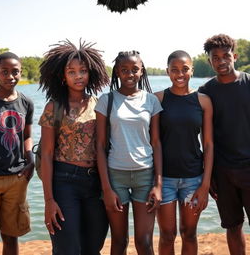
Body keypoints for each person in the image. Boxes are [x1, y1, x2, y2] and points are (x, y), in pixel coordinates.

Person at [38, 39, 110, 255]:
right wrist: (49, 200)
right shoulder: (54, 107)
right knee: (67, 250)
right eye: (72, 72)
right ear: (63, 76)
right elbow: (47, 155)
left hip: (95, 184)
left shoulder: (99, 104)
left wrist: (108, 188)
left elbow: (103, 148)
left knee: (92, 248)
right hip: (64, 183)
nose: (78, 76)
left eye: (83, 71)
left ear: (92, 73)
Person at [96, 50, 162, 255]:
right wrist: (106, 188)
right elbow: (99, 146)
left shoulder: (151, 101)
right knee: (119, 241)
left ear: (142, 71)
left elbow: (157, 143)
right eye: (124, 70)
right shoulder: (106, 101)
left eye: (135, 69)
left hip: (145, 175)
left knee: (143, 242)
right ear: (117, 72)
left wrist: (158, 185)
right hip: (116, 176)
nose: (130, 74)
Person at [155, 50, 213, 255]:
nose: (180, 74)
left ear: (192, 70)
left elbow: (208, 144)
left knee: (189, 233)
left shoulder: (203, 101)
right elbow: (153, 142)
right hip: (166, 179)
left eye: (185, 69)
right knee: (167, 235)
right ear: (167, 71)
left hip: (193, 179)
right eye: (174, 70)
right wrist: (157, 182)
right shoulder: (158, 99)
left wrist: (205, 184)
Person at [198, 34, 250, 255]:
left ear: (235, 56)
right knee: (233, 226)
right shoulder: (205, 92)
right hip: (223, 172)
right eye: (215, 58)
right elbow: (204, 137)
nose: (221, 61)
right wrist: (208, 177)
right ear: (210, 61)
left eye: (226, 56)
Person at [0, 52, 34, 255]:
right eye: (5, 72)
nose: (10, 76)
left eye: (15, 72)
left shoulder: (26, 103)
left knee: (11, 236)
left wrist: (31, 161)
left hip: (16, 178)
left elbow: (26, 135)